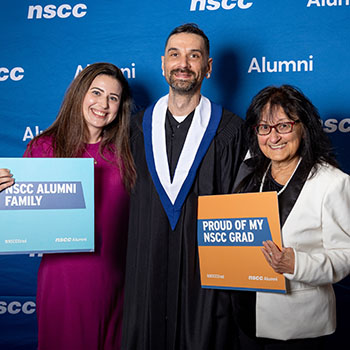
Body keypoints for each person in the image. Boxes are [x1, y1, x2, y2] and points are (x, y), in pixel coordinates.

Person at [121, 23, 246, 350]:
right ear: (163, 63)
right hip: (144, 275)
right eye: (175, 55)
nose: (183, 64)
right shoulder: (134, 130)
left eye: (194, 55)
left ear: (208, 67)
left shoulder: (232, 131)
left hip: (205, 281)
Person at [23, 63, 136, 350]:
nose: (103, 104)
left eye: (113, 97)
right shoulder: (44, 148)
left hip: (117, 281)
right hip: (63, 279)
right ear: (79, 94)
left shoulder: (127, 153)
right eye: (96, 92)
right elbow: (22, 219)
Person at [234, 84, 350, 349]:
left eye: (283, 126)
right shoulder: (249, 177)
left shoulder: (332, 183)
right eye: (264, 127)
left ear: (303, 128)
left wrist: (297, 264)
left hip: (299, 326)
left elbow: (346, 254)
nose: (273, 137)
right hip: (245, 322)